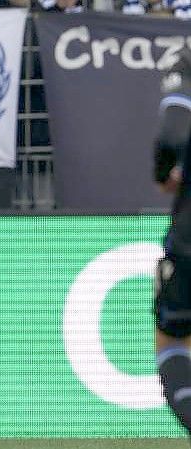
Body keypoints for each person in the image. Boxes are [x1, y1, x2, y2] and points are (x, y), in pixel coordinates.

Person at [153, 48, 191, 439]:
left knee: (173, 341)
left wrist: (165, 173)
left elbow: (172, 133)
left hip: (189, 240)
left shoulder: (187, 62)